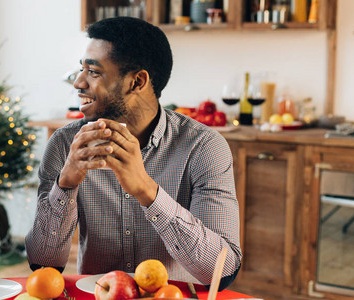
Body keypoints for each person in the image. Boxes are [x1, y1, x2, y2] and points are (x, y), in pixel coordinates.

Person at [25, 17, 242, 289]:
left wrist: (147, 191)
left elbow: (221, 271)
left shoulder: (204, 147)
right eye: (81, 69)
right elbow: (43, 265)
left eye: (93, 72)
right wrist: (65, 184)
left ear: (137, 81)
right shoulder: (65, 144)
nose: (79, 83)